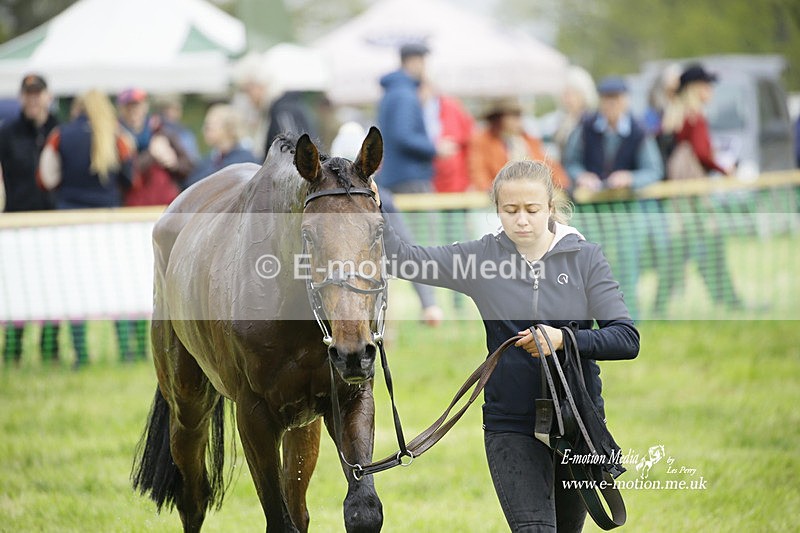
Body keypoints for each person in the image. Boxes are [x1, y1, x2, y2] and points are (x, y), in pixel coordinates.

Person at [372, 159, 639, 531]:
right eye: (510, 210)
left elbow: (626, 339)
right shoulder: (481, 257)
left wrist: (564, 339)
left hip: (576, 422)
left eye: (532, 210)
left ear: (550, 207)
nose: (522, 220)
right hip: (510, 426)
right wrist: (374, 204)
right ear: (497, 209)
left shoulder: (586, 258)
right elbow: (404, 259)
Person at [38, 89, 136, 368]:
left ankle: (80, 355)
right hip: (109, 221)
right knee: (116, 285)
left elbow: (47, 177)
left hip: (70, 221)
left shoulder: (60, 135)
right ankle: (127, 351)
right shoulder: (118, 136)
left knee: (74, 287)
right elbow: (130, 179)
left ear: (77, 108)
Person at [562, 76, 666, 319]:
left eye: (616, 99)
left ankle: (627, 318)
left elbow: (654, 170)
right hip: (591, 210)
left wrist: (630, 178)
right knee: (588, 264)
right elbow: (571, 162)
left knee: (628, 263)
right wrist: (582, 176)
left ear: (626, 101)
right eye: (607, 99)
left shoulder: (639, 132)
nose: (611, 105)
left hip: (626, 211)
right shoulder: (586, 128)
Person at [330, 121, 443, 326]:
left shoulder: (381, 200)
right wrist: (429, 304)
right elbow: (408, 250)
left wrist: (429, 303)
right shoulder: (328, 200)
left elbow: (405, 250)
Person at [659, 64, 745, 310]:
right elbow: (701, 152)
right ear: (695, 88)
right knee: (706, 240)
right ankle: (726, 298)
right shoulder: (694, 117)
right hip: (691, 187)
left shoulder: (677, 115)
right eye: (706, 85)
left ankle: (662, 303)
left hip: (680, 188)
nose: (711, 91)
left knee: (684, 245)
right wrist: (723, 168)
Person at [0, 73, 60, 364]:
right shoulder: (7, 132)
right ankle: (13, 350)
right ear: (22, 96)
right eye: (28, 94)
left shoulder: (59, 129)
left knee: (53, 287)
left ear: (48, 96)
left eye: (38, 93)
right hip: (18, 222)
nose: (33, 99)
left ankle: (52, 350)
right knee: (16, 289)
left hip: (55, 222)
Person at [376, 42, 443, 194]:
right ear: (413, 61)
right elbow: (404, 135)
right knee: (422, 218)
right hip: (410, 177)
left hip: (397, 175)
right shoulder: (404, 94)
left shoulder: (394, 91)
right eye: (423, 62)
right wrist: (435, 148)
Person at [470, 97, 570, 192]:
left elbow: (549, 166)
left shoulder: (529, 140)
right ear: (499, 118)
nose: (519, 120)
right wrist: (493, 191)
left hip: (531, 193)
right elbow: (478, 172)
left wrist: (563, 185)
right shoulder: (483, 141)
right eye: (514, 115)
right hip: (500, 197)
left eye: (519, 115)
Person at [117, 88, 192, 207]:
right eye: (128, 107)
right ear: (121, 109)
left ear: (145, 106)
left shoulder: (162, 131)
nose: (133, 110)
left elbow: (188, 166)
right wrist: (152, 154)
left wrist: (174, 164)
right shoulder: (118, 137)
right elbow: (125, 175)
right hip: (133, 207)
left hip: (167, 204)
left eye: (137, 105)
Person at [184, 103, 259, 189]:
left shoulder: (245, 160)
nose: (203, 130)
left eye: (209, 127)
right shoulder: (211, 158)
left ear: (228, 128)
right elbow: (190, 183)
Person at [551, 66, 598, 158]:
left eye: (571, 94)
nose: (567, 99)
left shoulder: (591, 121)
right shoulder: (562, 120)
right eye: (565, 93)